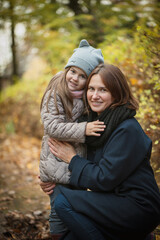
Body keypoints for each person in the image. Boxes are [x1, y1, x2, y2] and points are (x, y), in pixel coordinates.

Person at [44, 63, 160, 240]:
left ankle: (139, 232)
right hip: (113, 202)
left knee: (63, 202)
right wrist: (49, 177)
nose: (94, 96)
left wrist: (72, 158)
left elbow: (103, 178)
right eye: (91, 89)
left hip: (138, 207)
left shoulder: (126, 129)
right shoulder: (97, 125)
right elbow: (86, 164)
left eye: (103, 90)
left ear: (117, 93)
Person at [39, 39, 105, 240]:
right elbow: (51, 126)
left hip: (75, 166)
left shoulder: (85, 96)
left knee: (75, 213)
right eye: (72, 71)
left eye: (82, 75)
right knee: (58, 215)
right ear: (67, 69)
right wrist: (84, 129)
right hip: (57, 167)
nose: (75, 78)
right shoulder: (56, 91)